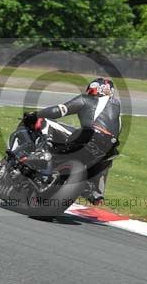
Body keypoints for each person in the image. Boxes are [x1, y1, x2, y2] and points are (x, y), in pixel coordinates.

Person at [22, 77, 121, 205]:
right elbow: (113, 136)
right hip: (107, 147)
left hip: (88, 136)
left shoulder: (87, 99)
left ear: (95, 88)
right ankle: (96, 193)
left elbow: (60, 110)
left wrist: (36, 115)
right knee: (107, 160)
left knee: (46, 121)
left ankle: (42, 153)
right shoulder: (118, 113)